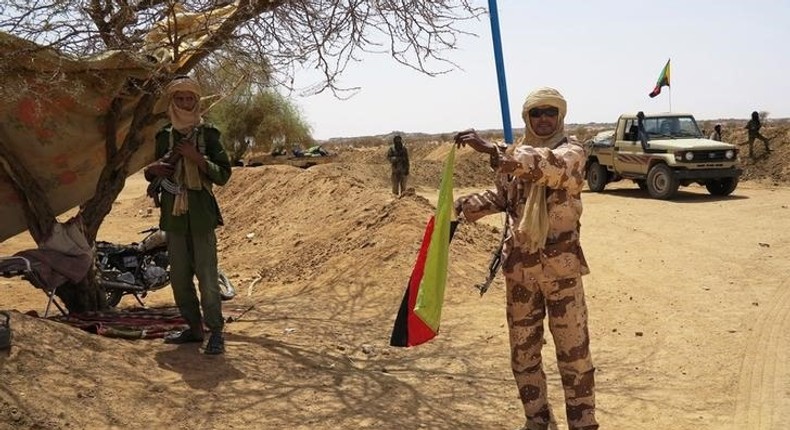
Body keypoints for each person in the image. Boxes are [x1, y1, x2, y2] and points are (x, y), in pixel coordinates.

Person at [454, 87, 598, 430]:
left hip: (561, 274)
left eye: (551, 112)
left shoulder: (571, 152)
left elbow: (549, 168)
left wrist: (494, 150)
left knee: (574, 358)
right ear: (527, 118)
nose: (544, 119)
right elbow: (505, 196)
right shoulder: (514, 156)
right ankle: (537, 420)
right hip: (521, 274)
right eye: (537, 113)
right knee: (523, 356)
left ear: (560, 116)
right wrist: (463, 206)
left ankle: (583, 424)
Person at [144, 76, 232, 355]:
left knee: (207, 279)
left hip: (201, 216)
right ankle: (194, 329)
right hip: (174, 218)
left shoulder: (209, 134)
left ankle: (215, 332)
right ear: (172, 101)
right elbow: (152, 171)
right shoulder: (164, 135)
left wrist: (197, 159)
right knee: (180, 279)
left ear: (196, 101)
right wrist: (152, 170)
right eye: (179, 99)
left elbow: (223, 175)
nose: (184, 103)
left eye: (189, 99)